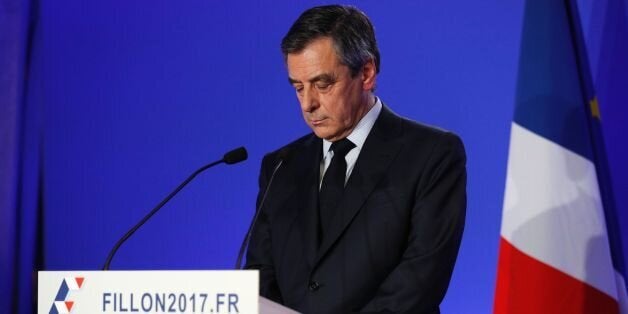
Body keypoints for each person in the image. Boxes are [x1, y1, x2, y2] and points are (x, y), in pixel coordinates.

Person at [245, 5, 466, 314]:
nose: (308, 104)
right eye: (298, 87)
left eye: (322, 84)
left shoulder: (431, 155)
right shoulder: (280, 167)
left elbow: (420, 279)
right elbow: (260, 276)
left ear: (366, 73)